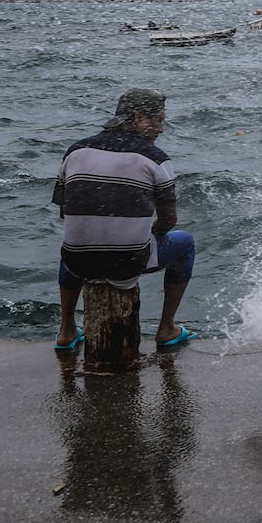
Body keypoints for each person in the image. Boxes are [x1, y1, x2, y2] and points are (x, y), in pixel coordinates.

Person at [52, 88, 197, 351]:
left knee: (75, 244)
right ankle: (166, 329)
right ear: (140, 117)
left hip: (78, 262)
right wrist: (151, 230)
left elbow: (65, 211)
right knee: (185, 243)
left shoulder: (75, 150)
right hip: (127, 263)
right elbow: (168, 221)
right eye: (159, 121)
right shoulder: (156, 159)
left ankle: (66, 331)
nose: (161, 130)